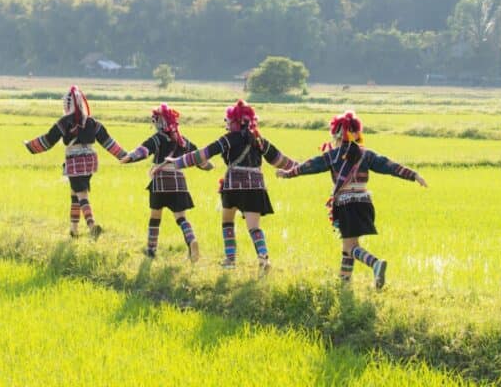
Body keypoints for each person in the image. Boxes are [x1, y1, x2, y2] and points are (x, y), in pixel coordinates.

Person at [276, 111, 427, 289]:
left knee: (351, 247)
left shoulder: (332, 155)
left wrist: (288, 174)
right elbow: (389, 165)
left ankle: (375, 263)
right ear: (356, 133)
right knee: (349, 246)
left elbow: (310, 166)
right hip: (364, 204)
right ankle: (343, 283)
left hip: (346, 205)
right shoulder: (366, 154)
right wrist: (413, 175)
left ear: (337, 134)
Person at [160, 100, 296, 272]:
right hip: (256, 187)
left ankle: (230, 260)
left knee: (227, 222)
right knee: (254, 228)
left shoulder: (229, 139)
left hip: (233, 187)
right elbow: (280, 160)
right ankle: (263, 258)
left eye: (228, 120)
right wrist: (299, 168)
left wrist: (177, 162)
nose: (227, 124)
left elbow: (204, 153)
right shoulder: (259, 140)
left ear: (235, 122)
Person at [25, 86, 127, 238]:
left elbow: (49, 139)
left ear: (67, 104)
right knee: (75, 195)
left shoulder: (64, 122)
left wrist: (31, 146)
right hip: (90, 162)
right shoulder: (91, 121)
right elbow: (108, 141)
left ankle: (92, 226)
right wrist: (124, 156)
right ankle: (74, 230)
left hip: (75, 162)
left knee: (81, 194)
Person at [120, 104, 213, 262]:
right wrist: (208, 166)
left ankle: (151, 250)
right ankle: (191, 240)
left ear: (160, 122)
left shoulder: (158, 138)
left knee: (155, 216)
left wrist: (128, 158)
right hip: (179, 182)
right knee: (181, 218)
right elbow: (198, 158)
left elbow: (143, 150)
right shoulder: (183, 141)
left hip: (161, 181)